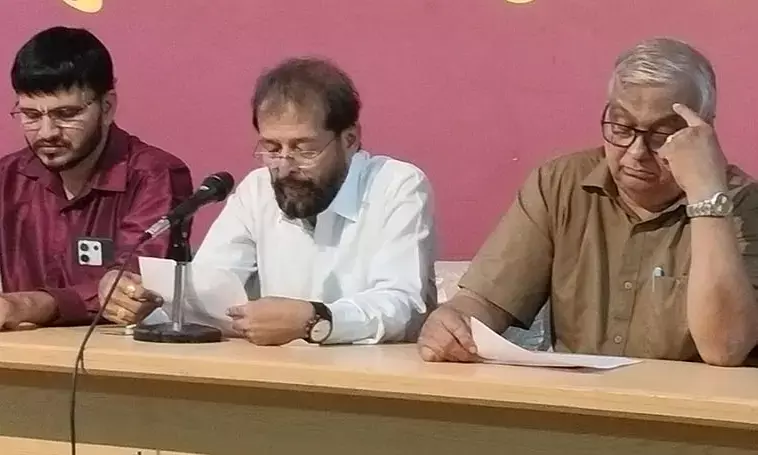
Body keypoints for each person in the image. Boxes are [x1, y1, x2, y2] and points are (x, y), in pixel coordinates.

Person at [418, 37, 758, 367]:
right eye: (621, 128)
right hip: (577, 400)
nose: (636, 152)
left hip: (689, 404)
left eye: (662, 135)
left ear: (703, 131)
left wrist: (706, 197)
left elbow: (724, 349)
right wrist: (454, 321)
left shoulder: (745, 204)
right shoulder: (560, 184)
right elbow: (485, 301)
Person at [100, 57, 436, 345]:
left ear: (350, 139)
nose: (285, 167)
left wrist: (315, 320)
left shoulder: (396, 185)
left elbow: (401, 307)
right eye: (272, 149)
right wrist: (144, 303)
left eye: (304, 149)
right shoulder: (257, 189)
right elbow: (210, 289)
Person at [0, 26, 193, 329]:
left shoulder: (155, 176)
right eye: (31, 116)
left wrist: (32, 305)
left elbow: (131, 286)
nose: (47, 132)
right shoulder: (6, 178)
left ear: (107, 107)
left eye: (66, 114)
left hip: (121, 354)